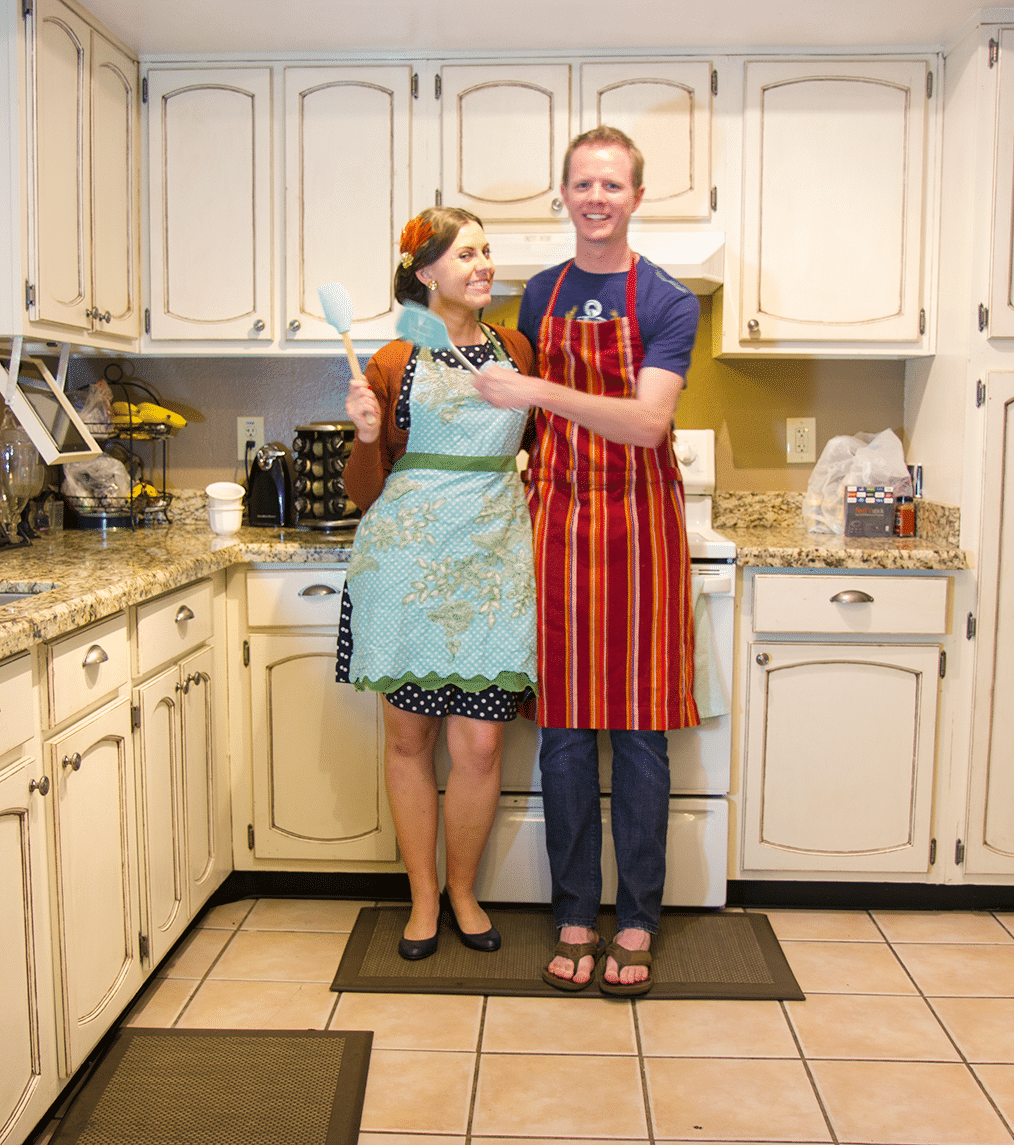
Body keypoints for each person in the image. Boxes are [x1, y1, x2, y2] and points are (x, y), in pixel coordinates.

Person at [473, 126, 700, 996]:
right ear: (562, 196)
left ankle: (637, 914)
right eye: (582, 184)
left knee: (639, 737)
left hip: (641, 529)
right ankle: (575, 907)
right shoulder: (540, 294)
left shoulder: (668, 300)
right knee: (565, 735)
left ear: (637, 197)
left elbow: (646, 424)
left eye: (612, 184)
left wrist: (537, 390)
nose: (597, 197)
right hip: (559, 523)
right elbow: (521, 420)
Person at [336, 206, 537, 960]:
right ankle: (423, 897)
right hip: (407, 567)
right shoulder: (389, 361)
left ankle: (463, 888)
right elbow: (364, 491)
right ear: (427, 273)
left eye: (488, 251)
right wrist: (362, 432)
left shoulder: (514, 347)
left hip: (492, 561)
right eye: (467, 254)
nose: (484, 264)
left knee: (481, 744)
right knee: (411, 739)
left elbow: (539, 443)